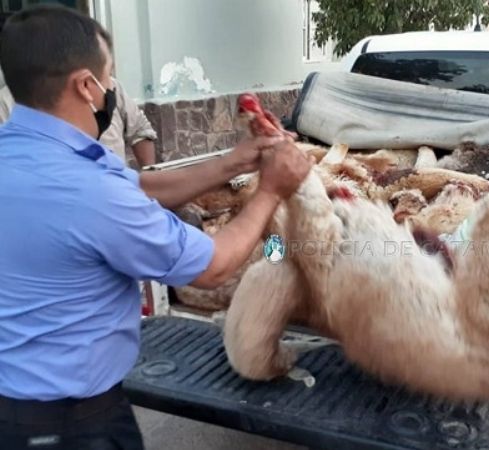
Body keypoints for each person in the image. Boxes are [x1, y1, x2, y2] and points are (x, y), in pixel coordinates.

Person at [0, 6, 312, 450]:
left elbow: (141, 187)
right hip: (72, 425)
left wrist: (234, 160)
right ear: (86, 86)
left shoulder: (31, 156)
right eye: (109, 77)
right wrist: (271, 191)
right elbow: (213, 268)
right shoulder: (89, 190)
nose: (112, 89)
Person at [0, 76, 157, 169]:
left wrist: (149, 179)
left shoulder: (108, 86)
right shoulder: (6, 101)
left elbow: (140, 130)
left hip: (114, 198)